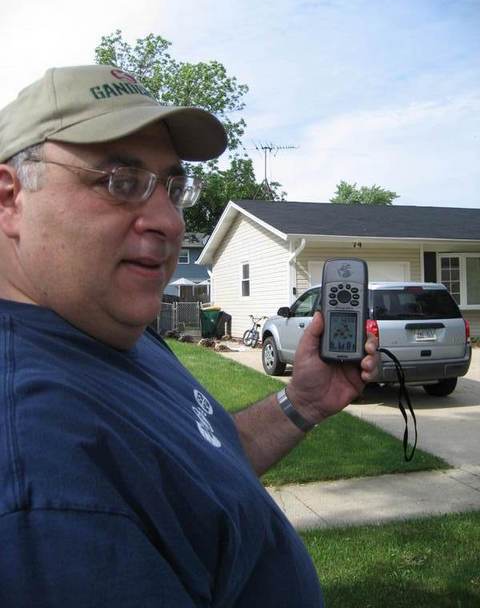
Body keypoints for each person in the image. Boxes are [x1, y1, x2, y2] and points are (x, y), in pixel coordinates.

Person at [0, 65, 378, 607]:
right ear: (10, 197)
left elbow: (204, 467)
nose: (170, 222)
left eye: (173, 188)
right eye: (121, 182)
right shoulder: (43, 476)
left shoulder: (112, 330)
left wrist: (303, 401)